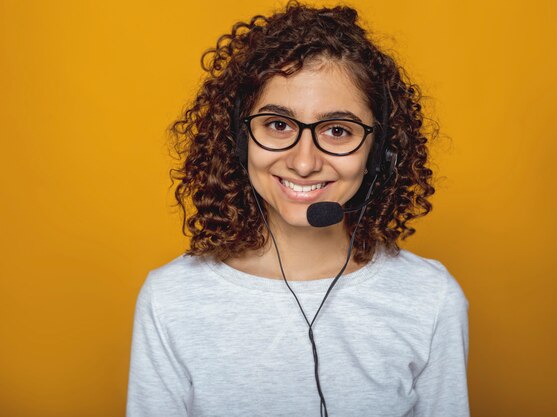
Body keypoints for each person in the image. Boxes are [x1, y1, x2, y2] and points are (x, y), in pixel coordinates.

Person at [126, 2, 469, 416]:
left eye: (338, 131)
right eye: (278, 125)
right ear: (239, 138)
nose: (304, 162)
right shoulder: (171, 299)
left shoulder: (430, 299)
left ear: (378, 154)